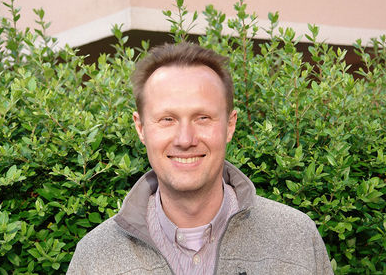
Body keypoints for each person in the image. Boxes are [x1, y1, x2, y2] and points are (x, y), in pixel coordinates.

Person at [67, 42, 333, 275]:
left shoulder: (295, 238)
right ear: (141, 128)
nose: (185, 139)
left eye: (202, 118)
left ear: (230, 125)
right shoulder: (95, 257)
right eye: (167, 119)